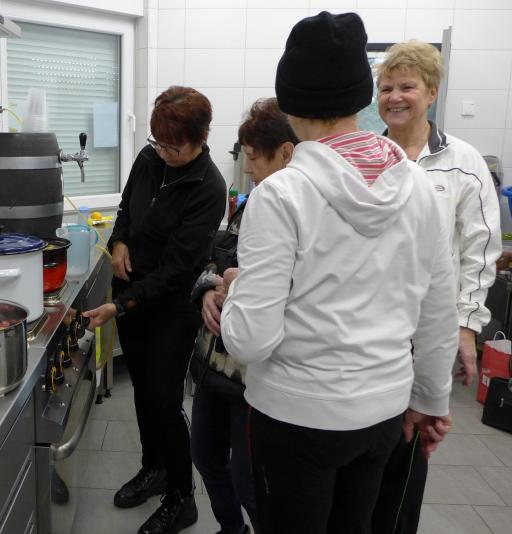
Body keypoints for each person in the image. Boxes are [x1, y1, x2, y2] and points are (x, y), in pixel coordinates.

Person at [218, 12, 459, 534]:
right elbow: (439, 307)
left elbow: (250, 340)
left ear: (290, 101)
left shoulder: (282, 194)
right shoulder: (417, 186)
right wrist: (430, 400)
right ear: (361, 96)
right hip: (383, 412)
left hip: (296, 416)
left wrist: (233, 290)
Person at [371, 40, 502, 534]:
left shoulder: (462, 162)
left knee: (408, 447)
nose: (394, 97)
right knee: (367, 446)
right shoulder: (368, 158)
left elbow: (481, 251)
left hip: (427, 332)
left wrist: (466, 327)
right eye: (386, 87)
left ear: (432, 92)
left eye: (407, 87)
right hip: (371, 328)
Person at [83, 86, 226, 534]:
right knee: (144, 393)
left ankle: (182, 497)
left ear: (200, 137)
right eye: (157, 143)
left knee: (165, 399)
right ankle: (154, 468)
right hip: (132, 297)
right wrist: (118, 242)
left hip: (171, 307)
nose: (163, 152)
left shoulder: (208, 187)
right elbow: (126, 209)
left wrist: (118, 304)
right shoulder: (149, 159)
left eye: (173, 147)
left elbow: (177, 269)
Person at [189, 97, 297, 534]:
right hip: (215, 362)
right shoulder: (252, 204)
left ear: (286, 153)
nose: (247, 167)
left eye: (253, 157)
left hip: (255, 376)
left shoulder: (300, 210)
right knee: (205, 457)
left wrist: (238, 282)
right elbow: (214, 261)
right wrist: (208, 289)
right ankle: (232, 529)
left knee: (249, 481)